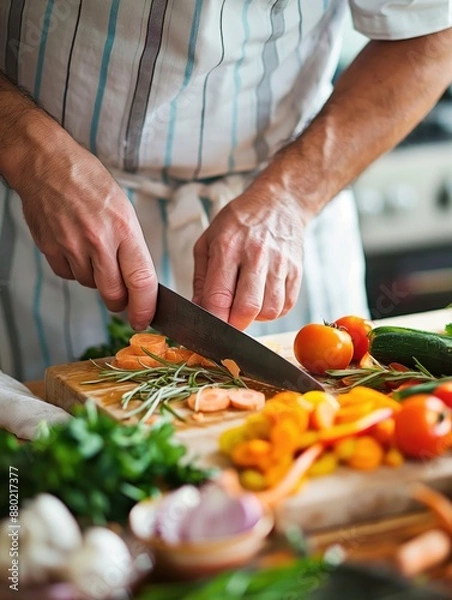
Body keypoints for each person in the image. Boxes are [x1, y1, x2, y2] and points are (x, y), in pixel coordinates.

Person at [0, 0, 451, 381]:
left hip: (288, 217)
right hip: (44, 214)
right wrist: (31, 152)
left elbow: (431, 37)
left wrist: (291, 197)